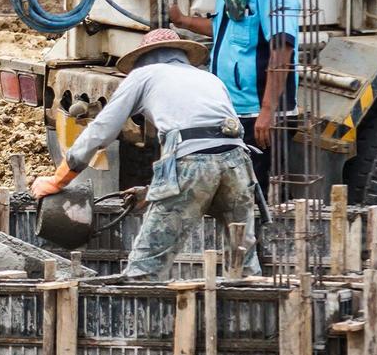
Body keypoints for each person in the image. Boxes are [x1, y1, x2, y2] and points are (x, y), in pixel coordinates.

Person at [32, 29, 260, 281]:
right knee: (243, 263)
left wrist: (58, 180)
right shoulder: (209, 79)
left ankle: (142, 309)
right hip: (238, 164)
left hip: (193, 163)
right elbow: (209, 147)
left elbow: (101, 131)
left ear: (143, 58)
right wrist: (152, 191)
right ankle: (251, 313)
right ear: (181, 54)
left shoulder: (143, 74)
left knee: (145, 270)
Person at [169, 0, 300, 194]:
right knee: (234, 189)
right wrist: (182, 22)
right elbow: (223, 28)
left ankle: (261, 237)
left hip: (261, 115)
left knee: (257, 192)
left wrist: (267, 112)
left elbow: (282, 51)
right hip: (232, 109)